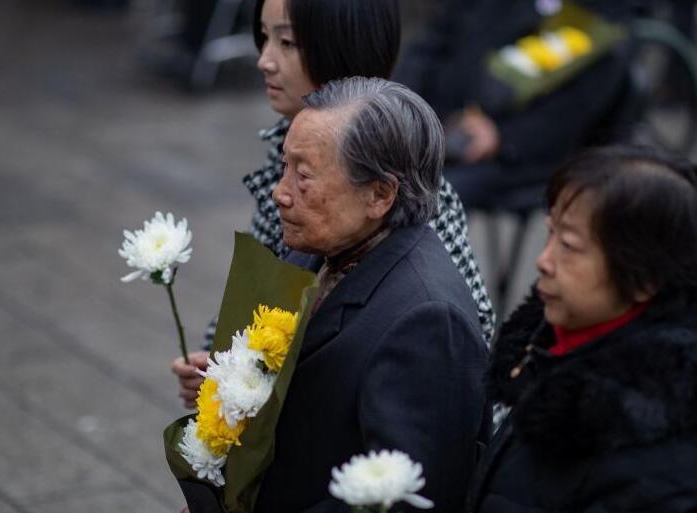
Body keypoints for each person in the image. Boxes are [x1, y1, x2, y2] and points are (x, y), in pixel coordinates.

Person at [172, 0, 496, 409]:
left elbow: (462, 346)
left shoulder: (412, 187)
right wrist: (222, 364)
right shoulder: (288, 140)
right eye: (264, 37)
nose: (265, 61)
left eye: (287, 42)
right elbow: (266, 286)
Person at [249, 76, 488, 513]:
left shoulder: (429, 321)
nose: (279, 192)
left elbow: (405, 501)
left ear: (380, 194)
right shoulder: (319, 246)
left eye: (303, 176)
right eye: (285, 167)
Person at [468, 145, 697, 513]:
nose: (543, 261)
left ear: (646, 279)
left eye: (570, 246)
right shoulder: (548, 348)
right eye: (551, 233)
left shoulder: (655, 454)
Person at [394, 0, 636, 210]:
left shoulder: (604, 13)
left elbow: (578, 106)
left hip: (516, 151)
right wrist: (407, 107)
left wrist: (501, 135)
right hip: (437, 121)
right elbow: (431, 45)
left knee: (427, 194)